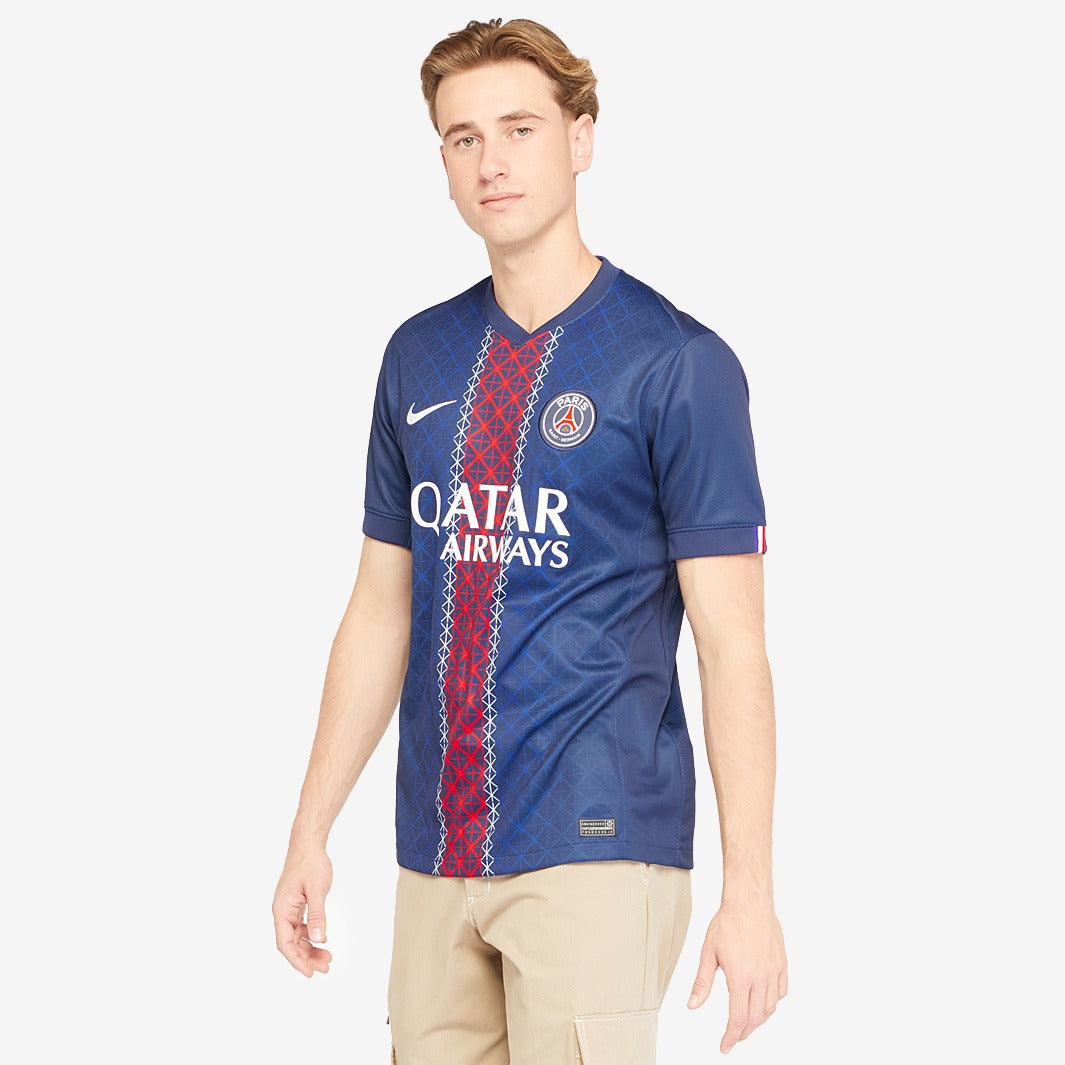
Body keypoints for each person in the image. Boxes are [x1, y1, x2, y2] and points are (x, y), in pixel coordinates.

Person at [273, 16, 787, 1063]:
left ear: (580, 138)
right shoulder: (418, 357)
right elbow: (380, 608)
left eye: (519, 129)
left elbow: (733, 643)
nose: (491, 162)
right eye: (463, 138)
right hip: (435, 850)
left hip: (598, 844)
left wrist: (751, 892)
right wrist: (309, 828)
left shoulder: (676, 364)